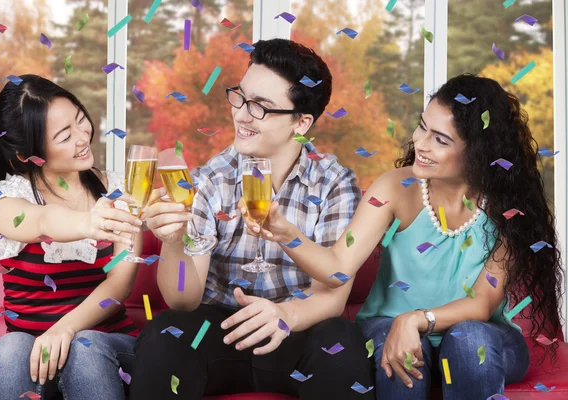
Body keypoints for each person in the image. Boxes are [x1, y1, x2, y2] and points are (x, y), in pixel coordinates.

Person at [240, 74, 563, 399]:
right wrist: (285, 232)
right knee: (397, 347)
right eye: (422, 126)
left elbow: (480, 304)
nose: (420, 143)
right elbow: (337, 267)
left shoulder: (507, 209)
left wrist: (414, 320)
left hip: (482, 337)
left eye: (441, 139)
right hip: (388, 326)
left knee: (467, 341)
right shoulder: (395, 188)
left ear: (478, 152)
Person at [130, 39, 374, 399]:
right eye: (240, 97)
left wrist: (286, 314)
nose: (241, 115)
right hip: (219, 329)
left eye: (261, 107)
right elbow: (184, 300)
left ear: (301, 122)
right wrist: (174, 242)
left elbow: (333, 294)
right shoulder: (208, 180)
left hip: (296, 329)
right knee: (166, 331)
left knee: (341, 340)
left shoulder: (334, 182)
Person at [0, 75, 144, 400]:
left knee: (86, 345)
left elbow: (120, 285)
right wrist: (88, 222)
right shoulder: (6, 200)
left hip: (106, 350)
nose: (83, 138)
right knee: (11, 348)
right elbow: (41, 220)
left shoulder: (117, 189)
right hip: (35, 358)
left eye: (81, 120)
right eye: (65, 135)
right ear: (28, 154)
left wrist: (64, 329)